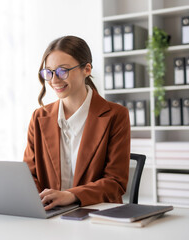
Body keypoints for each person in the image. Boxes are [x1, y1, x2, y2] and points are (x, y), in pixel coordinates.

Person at [23, 36, 130, 210]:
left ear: (86, 69)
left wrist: (72, 196)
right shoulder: (39, 117)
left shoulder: (116, 115)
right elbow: (28, 175)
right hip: (51, 216)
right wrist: (39, 204)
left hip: (96, 214)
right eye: (49, 72)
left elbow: (115, 182)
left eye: (62, 71)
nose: (54, 80)